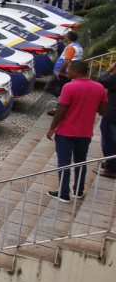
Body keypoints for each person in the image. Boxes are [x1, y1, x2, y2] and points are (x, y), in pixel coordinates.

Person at [45, 60, 108, 203]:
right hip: (85, 132)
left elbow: (61, 109)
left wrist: (52, 128)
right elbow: (104, 109)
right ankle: (79, 190)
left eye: (69, 69)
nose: (67, 71)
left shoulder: (69, 87)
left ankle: (64, 193)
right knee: (80, 161)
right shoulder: (99, 87)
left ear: (76, 71)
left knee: (64, 162)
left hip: (66, 131)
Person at [96, 66, 116, 178]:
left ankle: (111, 168)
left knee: (109, 142)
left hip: (112, 115)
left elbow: (103, 81)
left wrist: (111, 68)